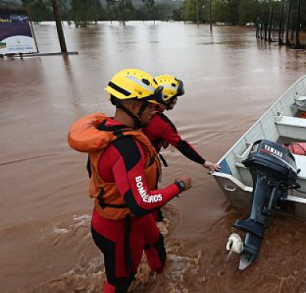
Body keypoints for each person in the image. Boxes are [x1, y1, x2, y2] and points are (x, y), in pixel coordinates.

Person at [68, 69, 193, 293]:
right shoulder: (126, 148)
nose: (156, 111)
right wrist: (179, 185)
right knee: (120, 282)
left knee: (156, 244)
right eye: (151, 106)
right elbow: (141, 201)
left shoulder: (106, 129)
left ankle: (162, 283)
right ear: (134, 106)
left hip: (129, 218)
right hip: (119, 227)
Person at [142, 74, 221, 172]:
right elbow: (181, 145)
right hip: (145, 165)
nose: (175, 101)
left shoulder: (138, 111)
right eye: (174, 98)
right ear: (165, 98)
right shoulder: (163, 123)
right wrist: (204, 162)